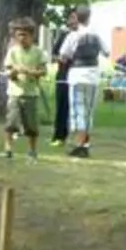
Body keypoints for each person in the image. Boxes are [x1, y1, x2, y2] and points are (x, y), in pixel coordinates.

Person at [58, 4, 105, 158]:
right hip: (93, 75)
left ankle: (79, 145)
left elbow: (63, 55)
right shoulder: (97, 34)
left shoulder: (73, 35)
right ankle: (84, 143)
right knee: (89, 110)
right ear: (89, 17)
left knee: (78, 110)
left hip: (77, 74)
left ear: (77, 17)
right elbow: (106, 51)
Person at [2, 17, 47, 161]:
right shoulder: (13, 52)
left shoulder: (38, 52)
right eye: (18, 35)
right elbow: (8, 72)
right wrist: (14, 72)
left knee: (31, 125)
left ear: (31, 35)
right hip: (14, 93)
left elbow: (43, 71)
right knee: (11, 122)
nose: (21, 38)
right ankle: (8, 149)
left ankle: (32, 151)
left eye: (24, 35)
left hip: (31, 94)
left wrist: (29, 71)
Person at [50, 8, 77, 146]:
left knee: (76, 107)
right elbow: (53, 55)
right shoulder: (63, 35)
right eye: (71, 17)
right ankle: (59, 135)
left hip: (79, 75)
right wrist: (61, 59)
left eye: (76, 17)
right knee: (62, 106)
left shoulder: (86, 36)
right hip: (63, 75)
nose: (73, 21)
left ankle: (79, 138)